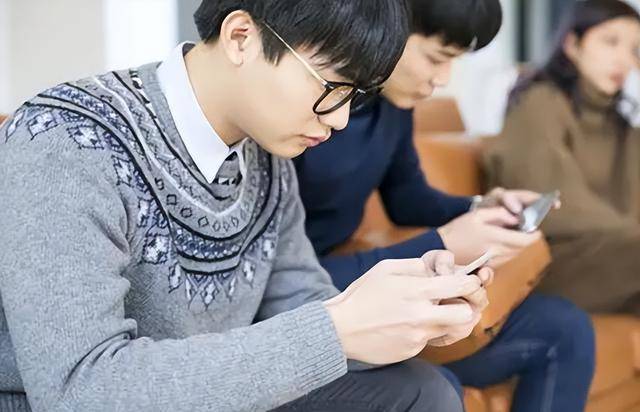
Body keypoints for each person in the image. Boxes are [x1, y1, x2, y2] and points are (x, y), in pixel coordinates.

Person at [0, 1, 495, 411]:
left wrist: (410, 311)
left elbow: (302, 302)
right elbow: (79, 389)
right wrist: (336, 330)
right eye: (331, 87)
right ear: (241, 37)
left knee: (423, 391)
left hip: (218, 394)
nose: (340, 119)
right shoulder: (65, 140)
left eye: (355, 97)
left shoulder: (265, 155)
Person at [294, 0, 596, 410]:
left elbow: (408, 199)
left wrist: (481, 206)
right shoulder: (302, 118)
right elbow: (282, 281)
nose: (444, 79)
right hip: (312, 302)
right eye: (437, 58)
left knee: (565, 328)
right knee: (436, 386)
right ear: (387, 27)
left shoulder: (391, 106)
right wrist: (444, 242)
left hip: (354, 291)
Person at [484, 0, 640, 315]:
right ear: (572, 44)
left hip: (619, 256)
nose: (624, 60)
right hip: (551, 262)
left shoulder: (622, 126)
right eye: (610, 42)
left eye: (635, 50)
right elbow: (553, 204)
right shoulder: (539, 103)